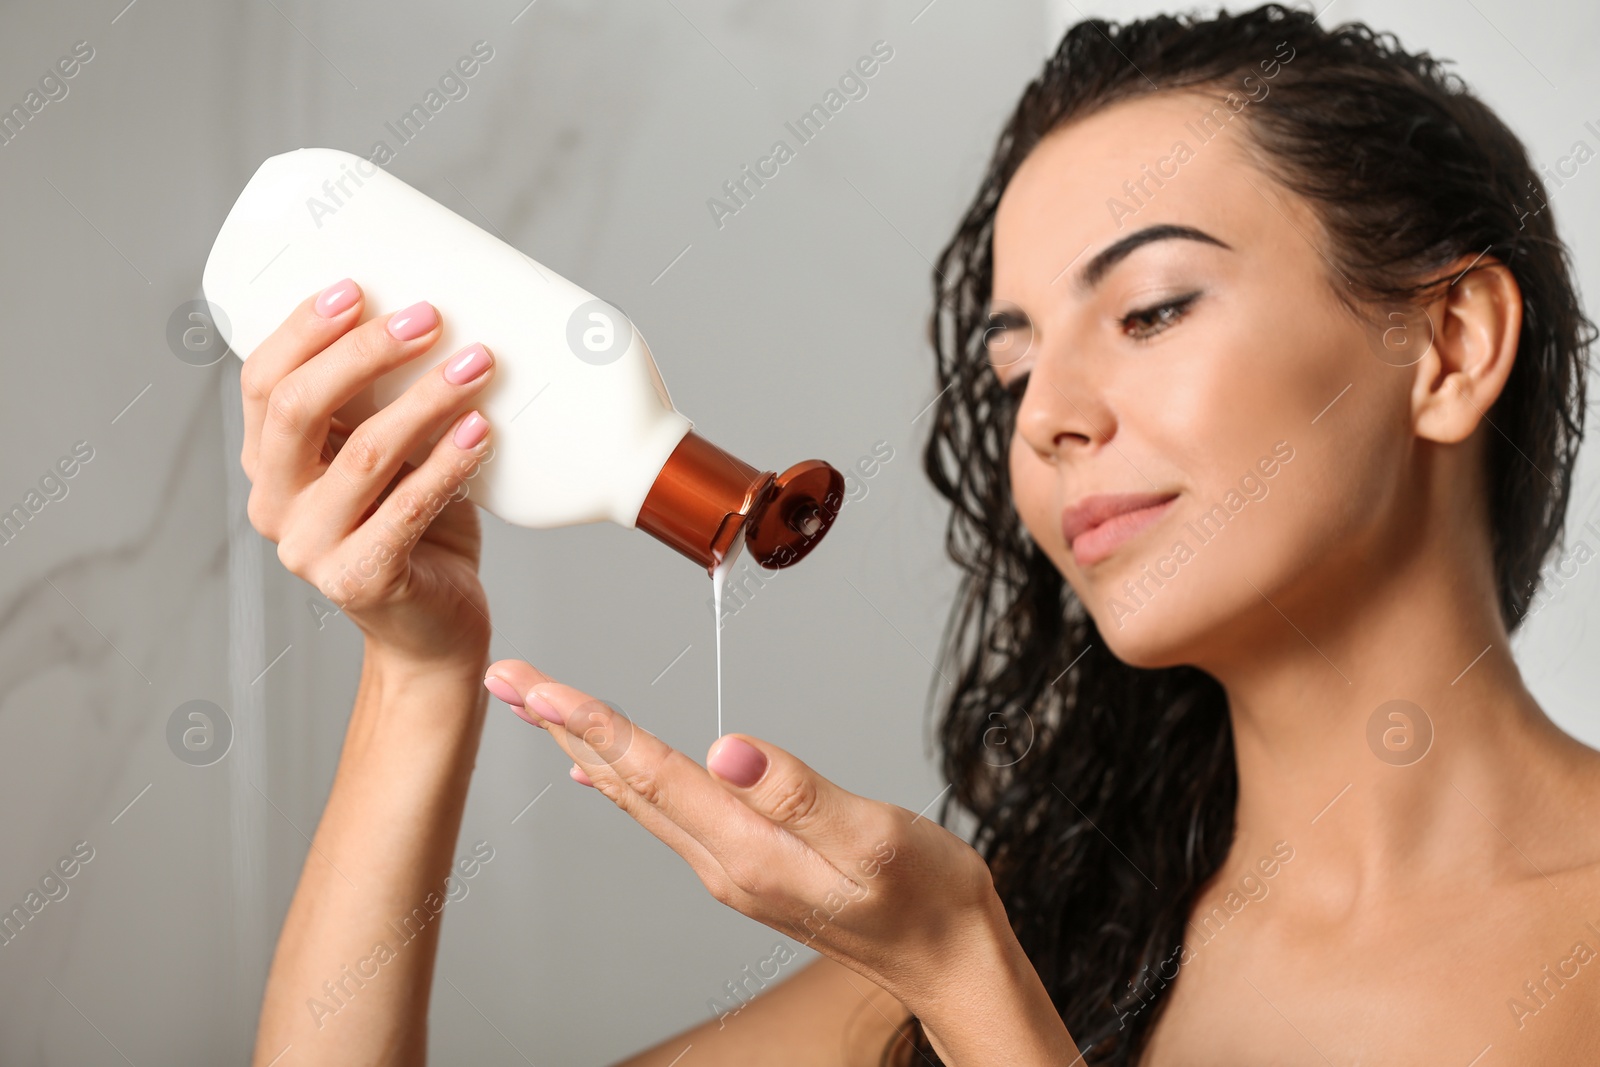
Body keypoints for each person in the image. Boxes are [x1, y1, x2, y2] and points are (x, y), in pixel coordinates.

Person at [243, 4, 1599, 1064]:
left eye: (1152, 311)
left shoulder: (969, 952)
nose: (1049, 419)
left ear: (1451, 345)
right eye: (1010, 374)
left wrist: (969, 991)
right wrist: (419, 671)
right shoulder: (1068, 928)